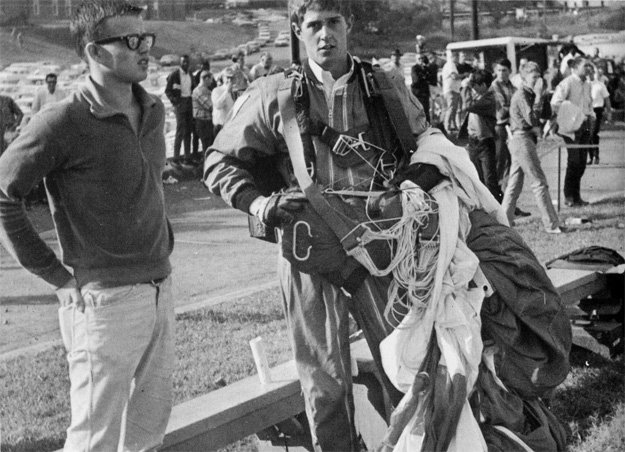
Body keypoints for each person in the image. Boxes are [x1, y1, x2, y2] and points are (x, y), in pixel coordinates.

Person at [0, 1, 175, 451]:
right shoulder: (63, 119)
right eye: (131, 41)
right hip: (103, 303)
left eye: (146, 38)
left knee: (147, 433)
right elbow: (4, 193)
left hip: (161, 287)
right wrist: (56, 277)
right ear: (96, 54)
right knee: (93, 441)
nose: (145, 49)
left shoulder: (153, 109)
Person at [502, 61, 562, 234]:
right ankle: (551, 225)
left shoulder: (532, 93)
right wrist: (538, 96)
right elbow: (532, 120)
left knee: (514, 184)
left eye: (539, 76)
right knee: (539, 182)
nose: (538, 80)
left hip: (524, 139)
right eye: (534, 77)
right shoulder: (521, 95)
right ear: (523, 78)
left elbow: (546, 114)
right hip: (521, 139)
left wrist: (543, 95)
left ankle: (504, 223)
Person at [551, 56, 594, 207]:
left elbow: (588, 103)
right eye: (585, 66)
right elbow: (555, 102)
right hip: (572, 128)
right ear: (575, 68)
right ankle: (569, 196)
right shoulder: (567, 83)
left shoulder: (588, 84)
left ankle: (577, 197)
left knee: (582, 163)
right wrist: (573, 115)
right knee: (574, 161)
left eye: (589, 66)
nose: (589, 69)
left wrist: (590, 115)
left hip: (586, 126)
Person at [460, 69, 502, 202]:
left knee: (490, 181)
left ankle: (499, 209)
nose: (474, 88)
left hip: (485, 143)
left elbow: (468, 105)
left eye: (476, 85)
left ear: (484, 85)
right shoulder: (478, 96)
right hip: (473, 143)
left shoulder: (488, 99)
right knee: (477, 179)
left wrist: (465, 87)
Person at [166, 54, 196, 163]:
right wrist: (175, 102)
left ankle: (187, 157)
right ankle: (176, 158)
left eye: (187, 62)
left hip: (189, 102)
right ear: (180, 63)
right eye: (183, 62)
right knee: (180, 131)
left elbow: (194, 88)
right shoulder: (175, 75)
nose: (185, 64)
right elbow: (168, 90)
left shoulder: (190, 75)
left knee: (188, 131)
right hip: (180, 103)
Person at [192, 69, 215, 155]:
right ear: (205, 79)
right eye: (211, 79)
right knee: (207, 148)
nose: (212, 81)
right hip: (203, 123)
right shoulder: (198, 91)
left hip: (208, 122)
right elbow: (210, 106)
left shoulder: (208, 90)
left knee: (210, 147)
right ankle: (206, 166)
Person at [442, 49, 464, 132]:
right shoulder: (450, 64)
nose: (458, 58)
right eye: (457, 56)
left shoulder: (451, 65)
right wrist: (464, 75)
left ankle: (453, 125)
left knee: (454, 108)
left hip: (454, 90)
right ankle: (447, 126)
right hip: (451, 90)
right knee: (451, 108)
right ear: (453, 57)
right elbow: (454, 76)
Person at [411, 53, 436, 123]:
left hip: (425, 93)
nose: (421, 60)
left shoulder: (426, 68)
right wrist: (425, 77)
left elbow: (432, 79)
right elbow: (416, 80)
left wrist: (425, 76)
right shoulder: (415, 68)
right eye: (419, 59)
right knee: (419, 111)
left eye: (422, 58)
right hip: (418, 93)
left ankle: (427, 125)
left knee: (426, 111)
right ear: (416, 60)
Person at [211, 67, 235, 136]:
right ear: (223, 78)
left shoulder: (235, 91)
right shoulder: (217, 90)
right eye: (227, 77)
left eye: (231, 78)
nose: (230, 80)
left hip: (231, 125)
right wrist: (227, 92)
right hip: (220, 126)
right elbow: (218, 105)